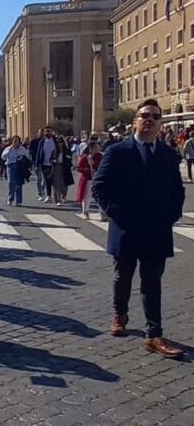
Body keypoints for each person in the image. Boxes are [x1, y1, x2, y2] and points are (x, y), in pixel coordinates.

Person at [92, 99, 185, 359]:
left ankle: (154, 334)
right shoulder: (117, 150)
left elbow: (177, 189)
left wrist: (172, 215)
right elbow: (99, 187)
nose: (150, 119)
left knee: (152, 283)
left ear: (160, 123)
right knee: (123, 278)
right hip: (126, 227)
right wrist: (116, 213)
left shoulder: (167, 154)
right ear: (135, 121)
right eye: (145, 115)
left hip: (157, 228)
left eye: (155, 116)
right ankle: (119, 313)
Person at [75, 141, 102, 218]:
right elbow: (78, 168)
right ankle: (85, 210)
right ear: (90, 148)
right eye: (95, 147)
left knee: (99, 195)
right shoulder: (84, 157)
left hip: (97, 178)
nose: (97, 149)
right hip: (88, 179)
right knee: (87, 195)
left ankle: (102, 212)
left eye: (97, 147)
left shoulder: (99, 157)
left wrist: (94, 165)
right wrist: (88, 169)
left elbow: (102, 165)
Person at [1, 136, 29, 206]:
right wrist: (10, 150)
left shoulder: (22, 149)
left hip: (19, 167)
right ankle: (10, 199)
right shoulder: (8, 148)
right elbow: (3, 157)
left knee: (19, 184)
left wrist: (22, 158)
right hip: (10, 166)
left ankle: (19, 201)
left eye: (17, 141)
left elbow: (27, 157)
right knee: (11, 183)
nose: (15, 142)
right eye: (14, 141)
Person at [35, 127, 56, 203]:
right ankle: (49, 196)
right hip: (44, 164)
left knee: (55, 181)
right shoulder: (41, 142)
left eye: (49, 131)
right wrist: (37, 165)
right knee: (47, 180)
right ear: (44, 133)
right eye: (46, 131)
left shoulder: (55, 141)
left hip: (54, 164)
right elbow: (38, 153)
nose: (47, 133)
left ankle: (58, 196)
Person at [50, 137, 73, 206]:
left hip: (65, 168)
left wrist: (68, 160)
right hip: (56, 167)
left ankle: (64, 195)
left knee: (64, 184)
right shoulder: (54, 151)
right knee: (56, 184)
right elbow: (50, 159)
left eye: (61, 142)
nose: (60, 144)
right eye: (58, 143)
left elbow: (69, 159)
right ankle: (58, 200)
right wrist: (54, 161)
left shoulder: (67, 151)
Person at [28, 129, 44, 199]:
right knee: (39, 178)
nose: (41, 134)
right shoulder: (33, 142)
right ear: (37, 133)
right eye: (40, 133)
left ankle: (42, 189)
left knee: (45, 179)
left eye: (42, 133)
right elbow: (30, 152)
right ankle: (39, 192)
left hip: (45, 162)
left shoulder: (46, 142)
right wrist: (31, 162)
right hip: (36, 162)